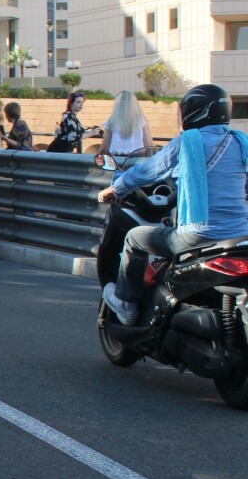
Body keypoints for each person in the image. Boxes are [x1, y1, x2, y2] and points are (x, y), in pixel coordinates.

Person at [99, 84, 248, 326]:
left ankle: (126, 305)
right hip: (240, 235)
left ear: (194, 112)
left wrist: (113, 189)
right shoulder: (241, 142)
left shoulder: (188, 142)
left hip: (198, 233)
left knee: (135, 238)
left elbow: (147, 171)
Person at [100, 90, 152, 167]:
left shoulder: (111, 122)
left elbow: (104, 148)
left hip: (116, 162)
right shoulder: (141, 120)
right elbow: (149, 145)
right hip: (137, 161)